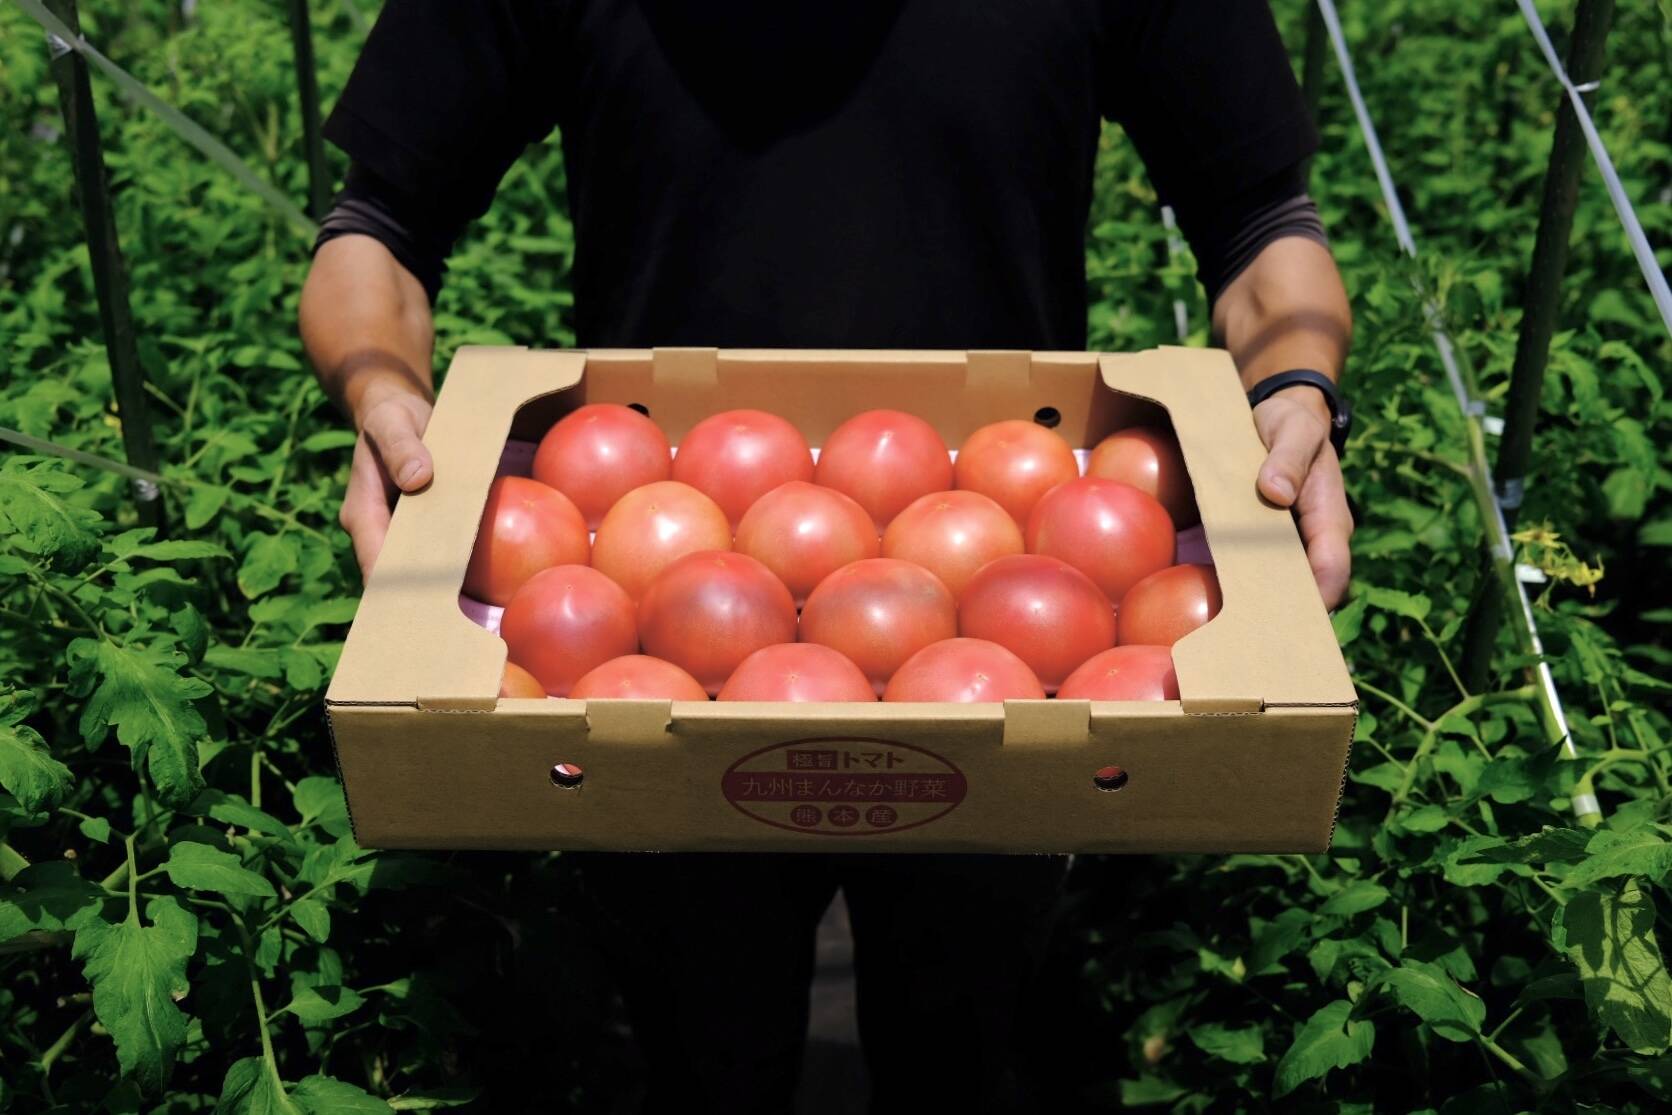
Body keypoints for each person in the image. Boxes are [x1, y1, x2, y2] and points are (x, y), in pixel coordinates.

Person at [300, 4, 1353, 1112]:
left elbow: (1258, 224)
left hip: (1009, 664)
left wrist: (1296, 386)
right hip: (651, 662)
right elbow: (379, 223)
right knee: (703, 1030)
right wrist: (384, 394)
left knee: (954, 1022)